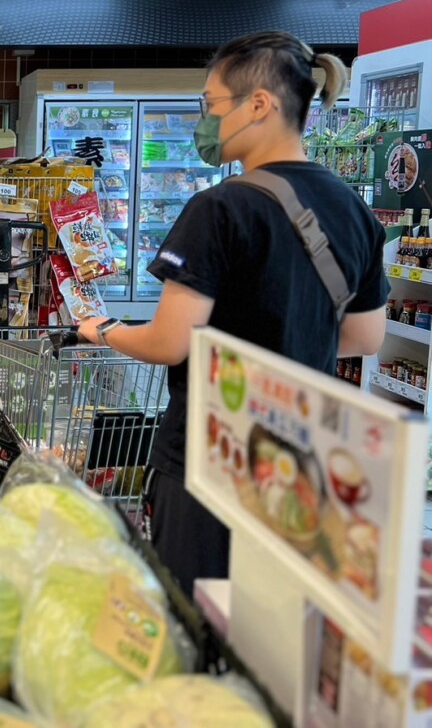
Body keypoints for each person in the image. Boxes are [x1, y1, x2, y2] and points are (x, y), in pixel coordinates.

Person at [77, 31, 387, 596]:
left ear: (260, 105)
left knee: (198, 614)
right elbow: (365, 336)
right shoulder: (354, 211)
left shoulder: (220, 207)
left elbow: (171, 342)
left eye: (212, 105)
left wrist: (104, 329)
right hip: (298, 460)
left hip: (211, 453)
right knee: (266, 626)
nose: (206, 120)